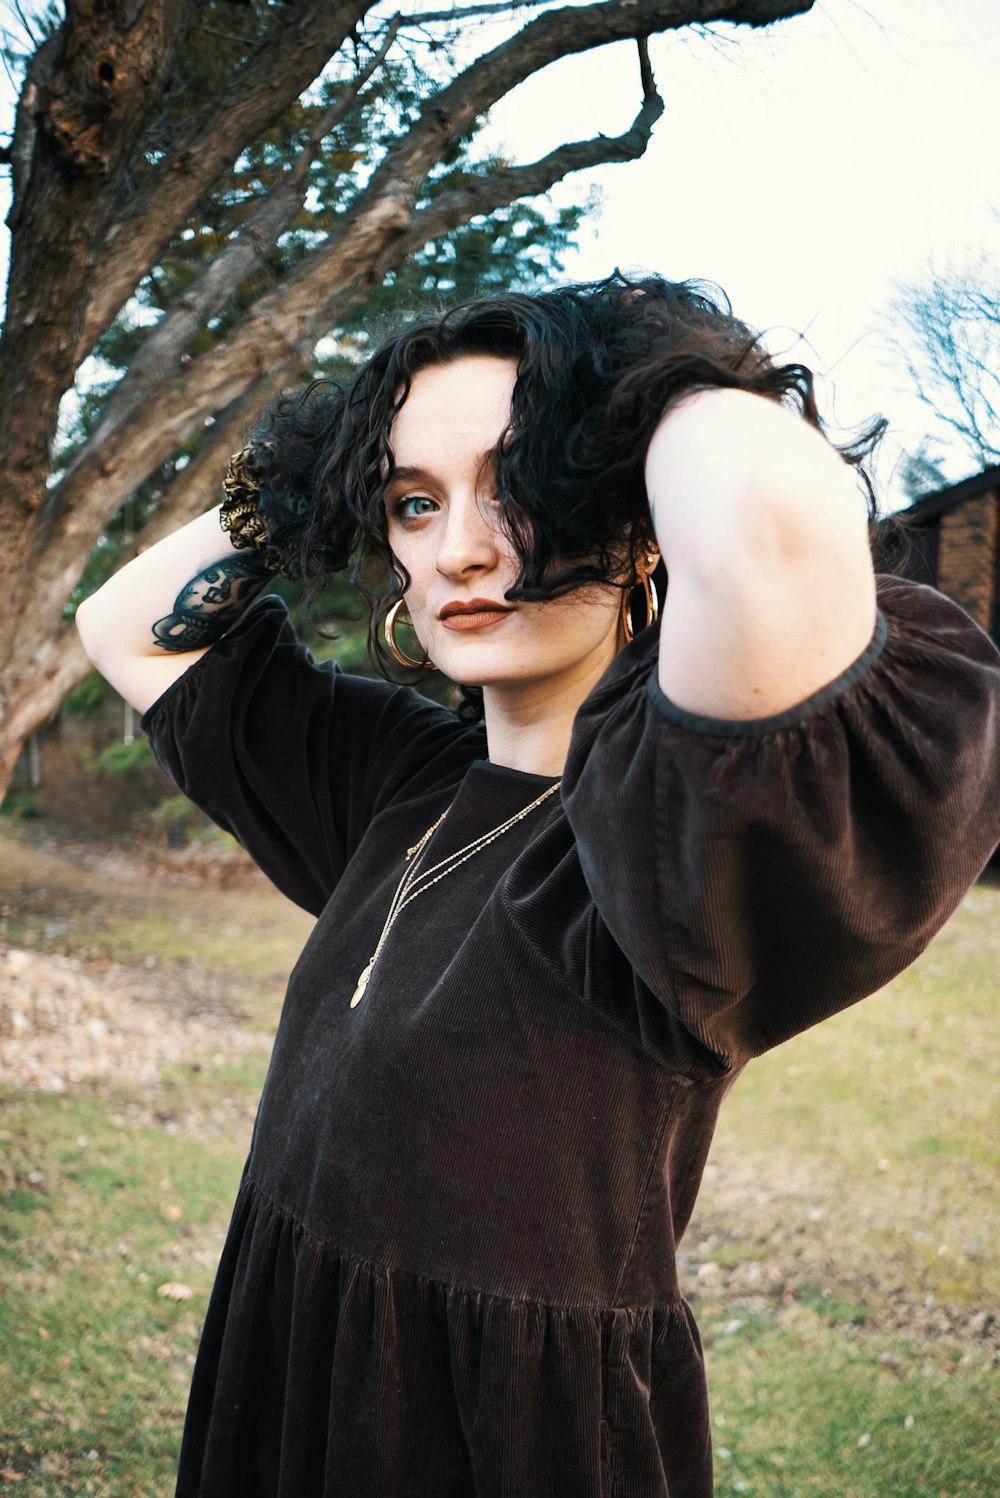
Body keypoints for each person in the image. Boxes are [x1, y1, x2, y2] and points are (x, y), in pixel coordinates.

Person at [76, 274, 1000, 1498]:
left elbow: (775, 511)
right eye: (412, 502)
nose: (460, 547)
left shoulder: (674, 831)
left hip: (493, 1434)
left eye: (521, 484)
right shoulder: (396, 780)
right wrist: (313, 463)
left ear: (624, 501)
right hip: (285, 1373)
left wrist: (621, 380)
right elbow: (130, 621)